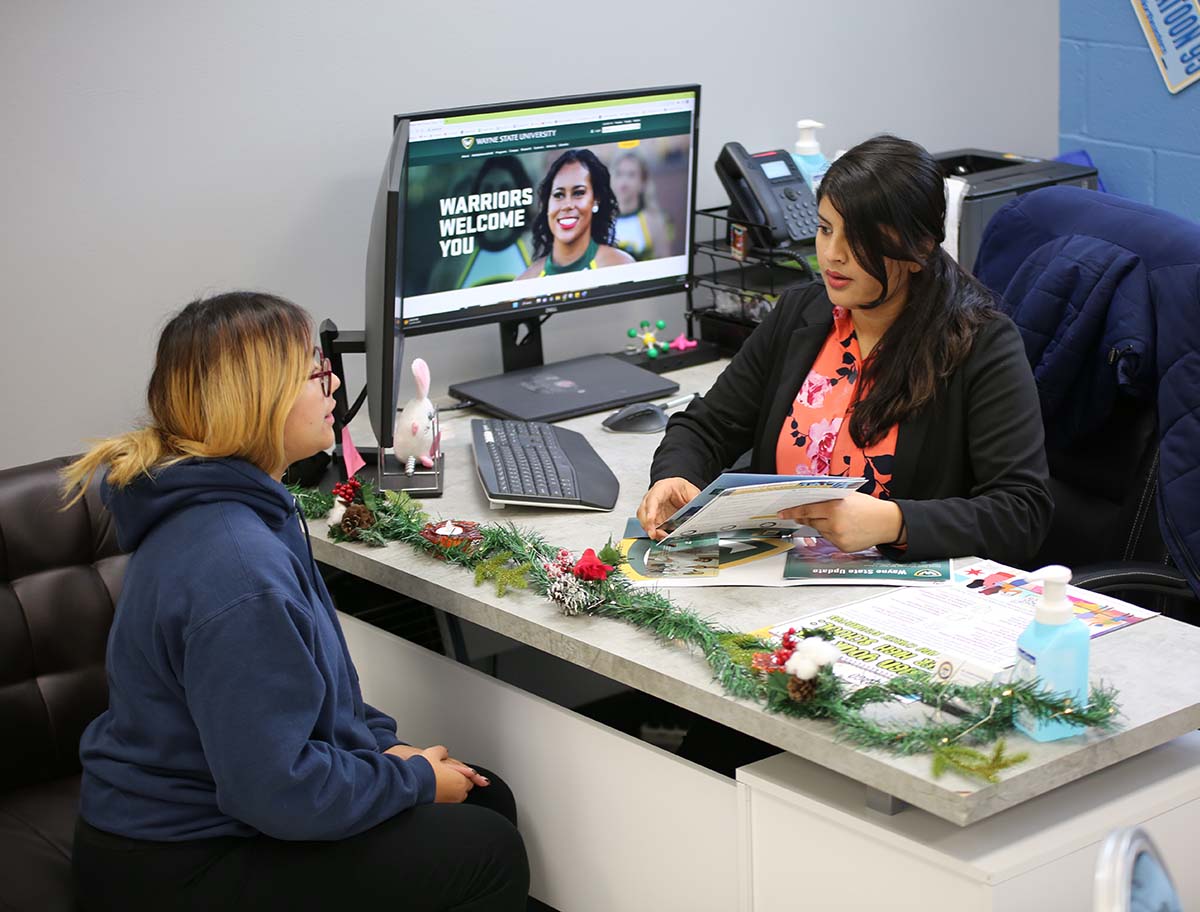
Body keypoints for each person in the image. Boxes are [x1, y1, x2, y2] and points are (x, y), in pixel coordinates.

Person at [62, 292, 529, 911]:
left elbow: (314, 704)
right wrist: (411, 778)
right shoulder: (236, 567)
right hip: (174, 862)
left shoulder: (250, 507)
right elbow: (276, 791)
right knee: (489, 850)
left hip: (226, 810)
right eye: (314, 371)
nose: (332, 381)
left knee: (486, 799)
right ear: (256, 401)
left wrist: (383, 749)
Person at [637, 135, 1052, 569]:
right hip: (776, 576)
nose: (832, 255)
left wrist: (895, 522)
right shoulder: (801, 313)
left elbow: (1022, 513)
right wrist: (675, 475)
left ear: (918, 250)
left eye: (858, 239)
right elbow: (708, 425)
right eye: (825, 228)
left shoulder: (981, 343)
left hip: (899, 587)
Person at [517, 148, 635, 278]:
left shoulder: (620, 266)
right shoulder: (526, 281)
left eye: (578, 193)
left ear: (595, 200)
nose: (567, 205)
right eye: (559, 195)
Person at [611, 150, 671, 261]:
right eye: (619, 174)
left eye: (631, 175)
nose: (624, 182)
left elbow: (665, 262)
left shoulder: (654, 221)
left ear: (643, 182)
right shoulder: (601, 221)